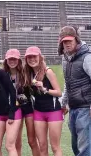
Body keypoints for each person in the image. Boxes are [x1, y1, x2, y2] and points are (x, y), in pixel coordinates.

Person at [58, 26, 91, 156]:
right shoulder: (65, 59)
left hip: (85, 107)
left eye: (69, 41)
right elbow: (68, 83)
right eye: (64, 42)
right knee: (75, 144)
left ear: (76, 40)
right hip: (73, 108)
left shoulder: (87, 57)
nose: (67, 44)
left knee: (84, 145)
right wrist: (63, 103)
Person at [24, 46, 63, 156]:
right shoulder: (29, 73)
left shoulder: (48, 71)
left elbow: (59, 92)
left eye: (34, 56)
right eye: (29, 57)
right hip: (38, 112)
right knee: (42, 146)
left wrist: (44, 89)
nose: (32, 59)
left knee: (55, 147)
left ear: (40, 57)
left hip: (53, 111)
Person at [3, 49, 40, 156]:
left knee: (32, 141)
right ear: (6, 60)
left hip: (28, 108)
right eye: (10, 59)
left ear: (19, 60)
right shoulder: (3, 74)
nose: (12, 61)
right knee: (16, 142)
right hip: (14, 109)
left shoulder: (25, 73)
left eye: (14, 59)